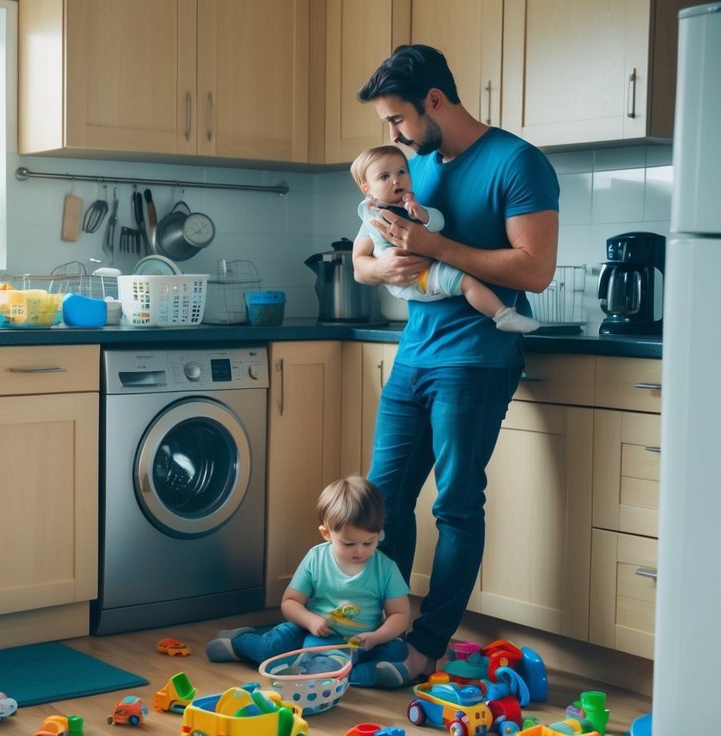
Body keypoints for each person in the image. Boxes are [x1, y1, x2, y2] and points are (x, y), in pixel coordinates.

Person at [352, 44, 560, 686]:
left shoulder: (517, 162)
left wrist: (436, 245)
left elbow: (536, 269)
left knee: (456, 505)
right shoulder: (408, 170)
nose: (393, 134)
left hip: (476, 358)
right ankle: (382, 631)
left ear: (434, 101)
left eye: (398, 118)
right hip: (414, 354)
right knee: (382, 503)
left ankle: (426, 647)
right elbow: (363, 259)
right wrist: (382, 267)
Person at [205, 476, 413, 689]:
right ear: (326, 533)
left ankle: (339, 671)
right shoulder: (316, 559)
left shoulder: (386, 568)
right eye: (349, 543)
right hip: (315, 634)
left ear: (379, 534)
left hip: (363, 642)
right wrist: (311, 621)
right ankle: (240, 643)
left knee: (397, 650)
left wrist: (377, 636)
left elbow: (400, 614)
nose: (359, 551)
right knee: (270, 648)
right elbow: (290, 602)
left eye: (369, 542)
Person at [351, 144, 540, 334]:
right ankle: (502, 315)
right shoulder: (370, 215)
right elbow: (359, 267)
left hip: (432, 283)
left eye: (401, 172)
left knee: (466, 282)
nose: (396, 180)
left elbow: (437, 223)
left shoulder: (412, 205)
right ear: (367, 188)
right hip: (417, 278)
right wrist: (383, 266)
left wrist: (422, 214)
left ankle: (503, 315)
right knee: (466, 282)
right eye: (384, 177)